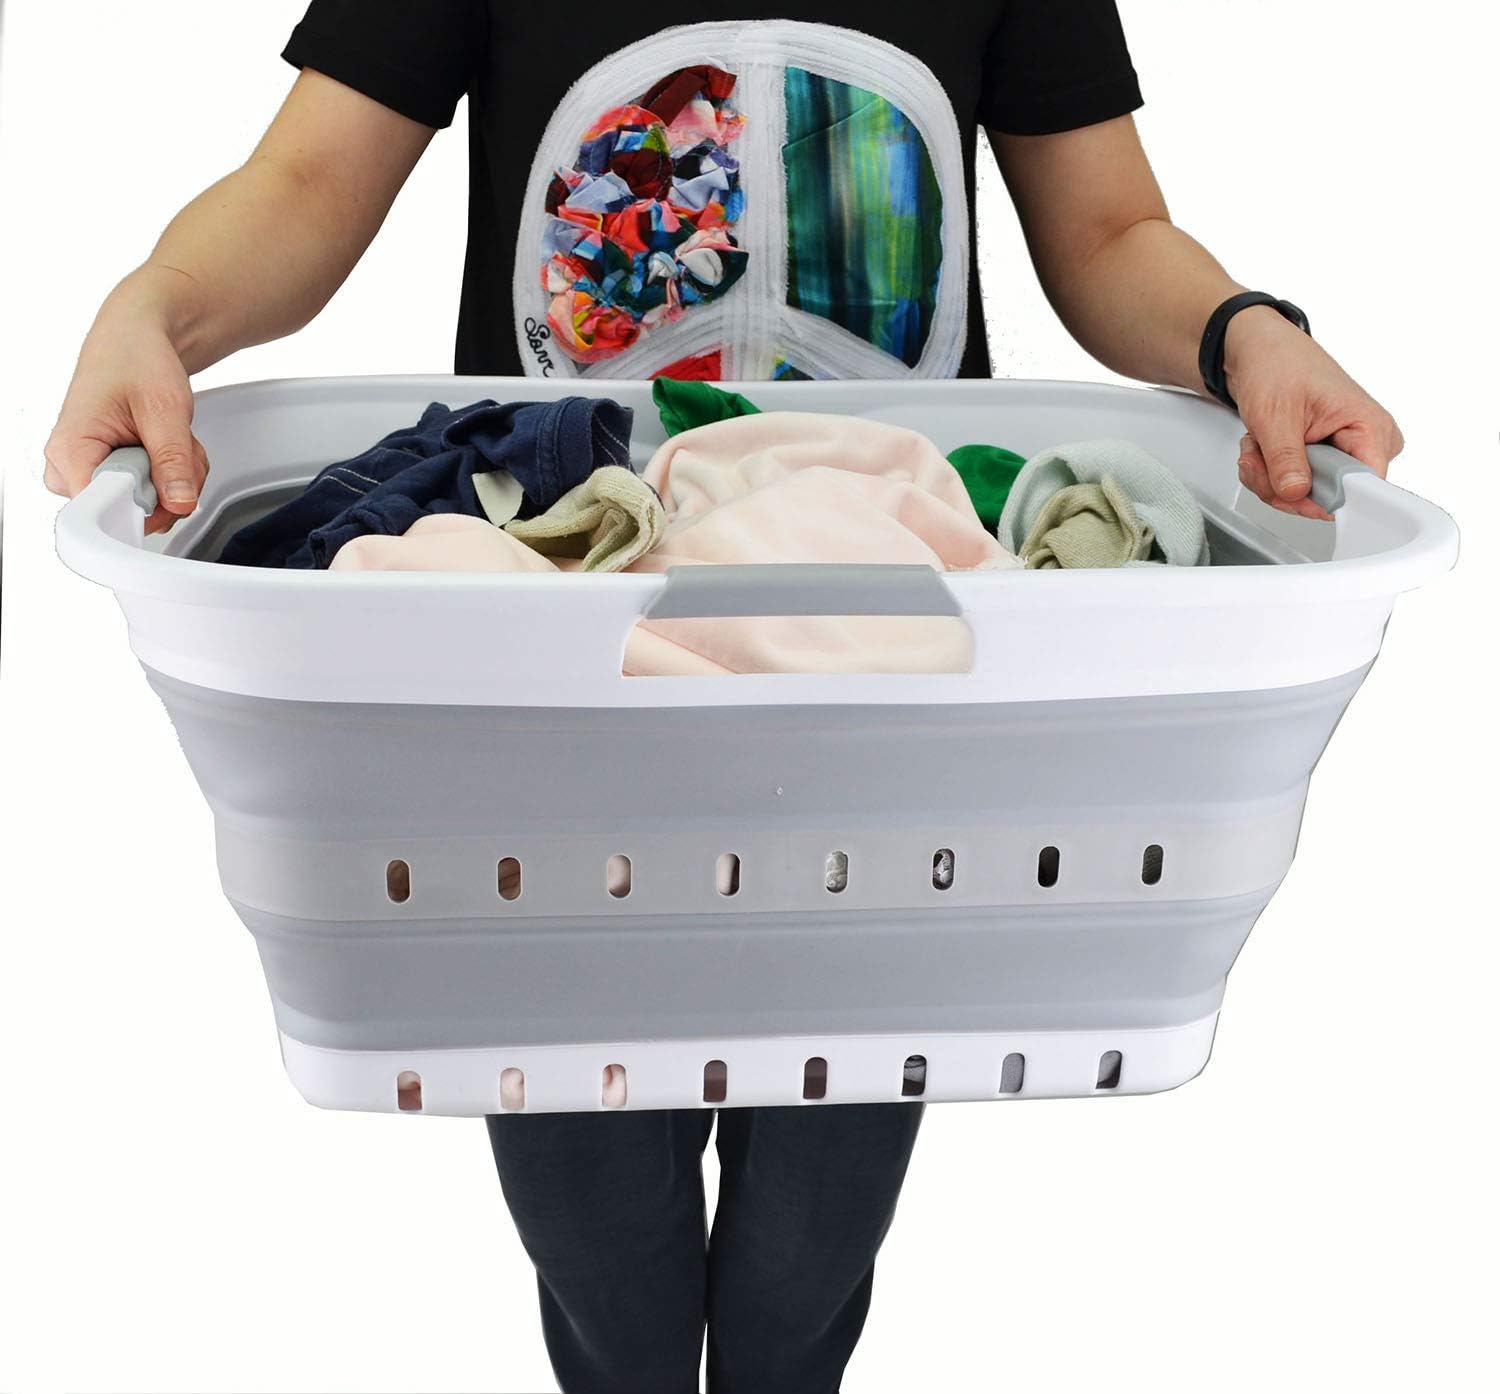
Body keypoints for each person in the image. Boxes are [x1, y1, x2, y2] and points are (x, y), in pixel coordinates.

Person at [43, 4, 1404, 1390]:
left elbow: (1108, 230)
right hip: (565, 672)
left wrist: (1244, 334)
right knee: (598, 1253)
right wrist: (153, 309)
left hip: (892, 683)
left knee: (808, 1260)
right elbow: (308, 180)